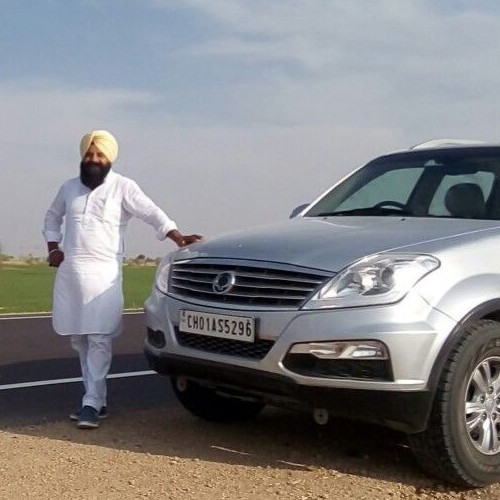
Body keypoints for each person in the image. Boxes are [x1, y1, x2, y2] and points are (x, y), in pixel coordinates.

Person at [43, 130, 202, 429]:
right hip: (71, 274)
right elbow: (52, 217)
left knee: (99, 338)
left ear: (110, 158)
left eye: (99, 154)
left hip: (103, 276)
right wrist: (53, 248)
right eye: (89, 154)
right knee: (80, 339)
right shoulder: (68, 188)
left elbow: (151, 213)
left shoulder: (123, 187)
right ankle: (96, 400)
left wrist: (178, 237)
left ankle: (91, 402)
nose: (93, 159)